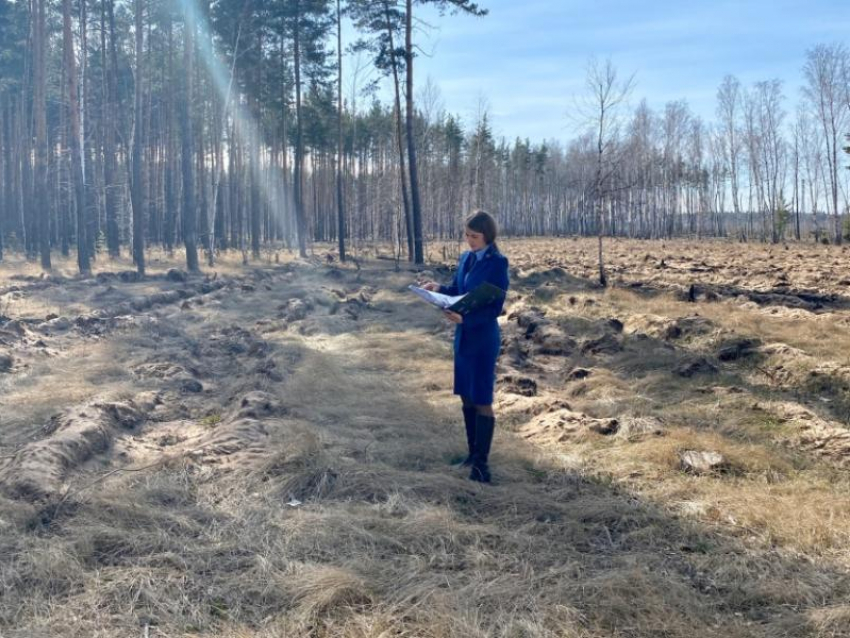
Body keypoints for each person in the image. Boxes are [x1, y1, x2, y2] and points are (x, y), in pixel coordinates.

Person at [422, 210, 509, 483]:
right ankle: (472, 454)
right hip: (463, 338)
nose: (469, 240)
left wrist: (466, 319)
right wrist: (439, 288)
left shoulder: (498, 263)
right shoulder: (465, 258)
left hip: (483, 337)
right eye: (467, 235)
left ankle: (482, 467)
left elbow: (495, 307)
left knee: (482, 399)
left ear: (488, 235)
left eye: (474, 236)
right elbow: (459, 289)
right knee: (466, 396)